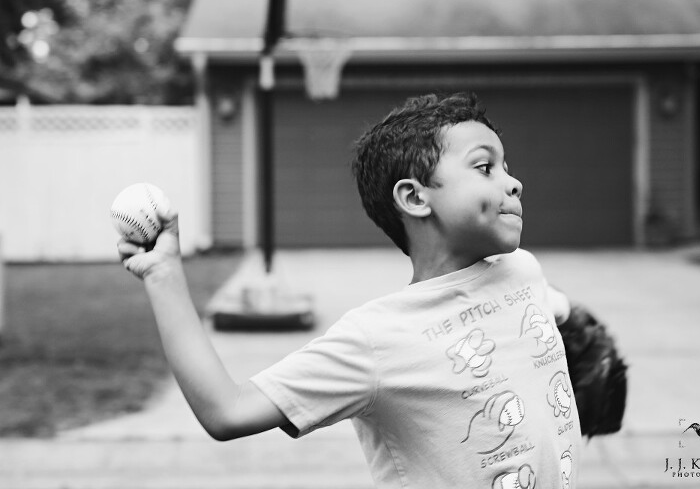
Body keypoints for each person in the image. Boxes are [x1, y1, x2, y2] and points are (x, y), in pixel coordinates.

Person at [118, 92, 581, 488]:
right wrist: (164, 276)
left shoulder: (524, 272)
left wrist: (580, 330)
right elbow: (228, 411)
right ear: (415, 197)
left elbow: (554, 310)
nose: (513, 182)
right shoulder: (378, 340)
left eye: (506, 167)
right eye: (485, 167)